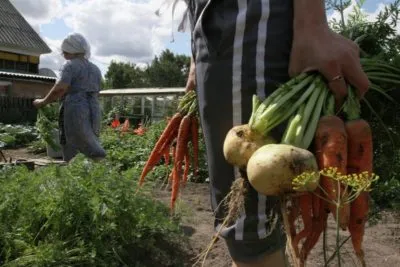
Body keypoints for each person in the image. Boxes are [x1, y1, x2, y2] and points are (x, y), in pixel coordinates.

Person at [180, 0, 370, 266]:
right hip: (211, 22)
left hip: (249, 15)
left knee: (252, 230)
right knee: (248, 228)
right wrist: (195, 51)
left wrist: (312, 24)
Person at [33, 33, 106, 162]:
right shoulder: (95, 68)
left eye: (65, 51)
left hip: (76, 106)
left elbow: (61, 88)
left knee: (74, 139)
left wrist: (42, 102)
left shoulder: (70, 65)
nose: (64, 55)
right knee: (91, 136)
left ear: (71, 50)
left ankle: (90, 166)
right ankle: (94, 171)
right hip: (94, 106)